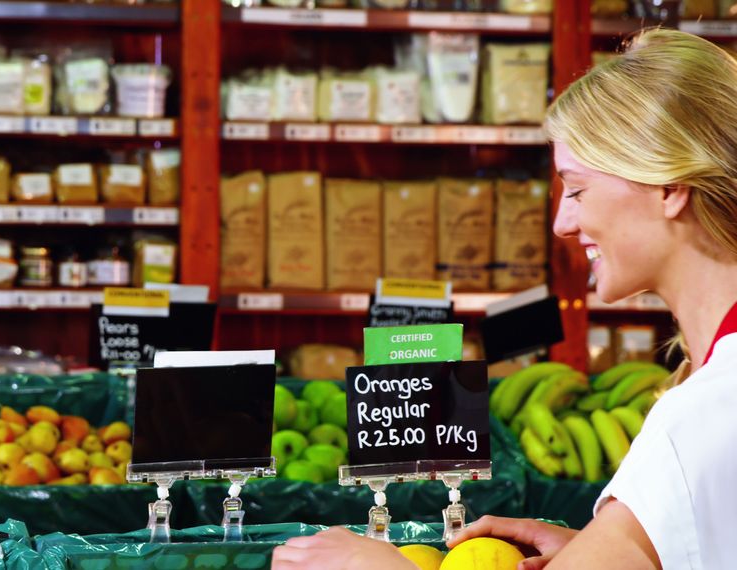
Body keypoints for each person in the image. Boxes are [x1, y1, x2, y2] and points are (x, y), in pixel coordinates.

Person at [273, 28, 737, 570]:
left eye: (579, 189)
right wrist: (609, 549)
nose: (564, 223)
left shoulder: (705, 410)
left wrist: (376, 567)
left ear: (669, 187)